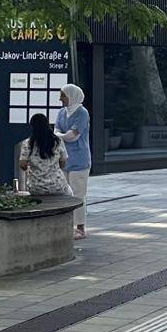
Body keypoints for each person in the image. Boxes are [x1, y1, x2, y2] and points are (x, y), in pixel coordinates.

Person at [55, 83, 91, 237]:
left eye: (63, 95)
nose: (60, 98)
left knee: (78, 193)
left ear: (71, 96)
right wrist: (62, 135)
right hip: (63, 158)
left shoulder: (82, 113)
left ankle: (80, 227)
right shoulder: (62, 112)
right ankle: (68, 224)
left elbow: (73, 135)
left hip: (79, 159)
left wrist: (60, 136)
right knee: (65, 193)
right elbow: (57, 129)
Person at [17, 112, 69, 198]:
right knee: (70, 193)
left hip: (36, 188)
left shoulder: (28, 143)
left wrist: (29, 167)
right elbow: (63, 164)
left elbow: (22, 165)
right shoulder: (58, 141)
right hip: (57, 185)